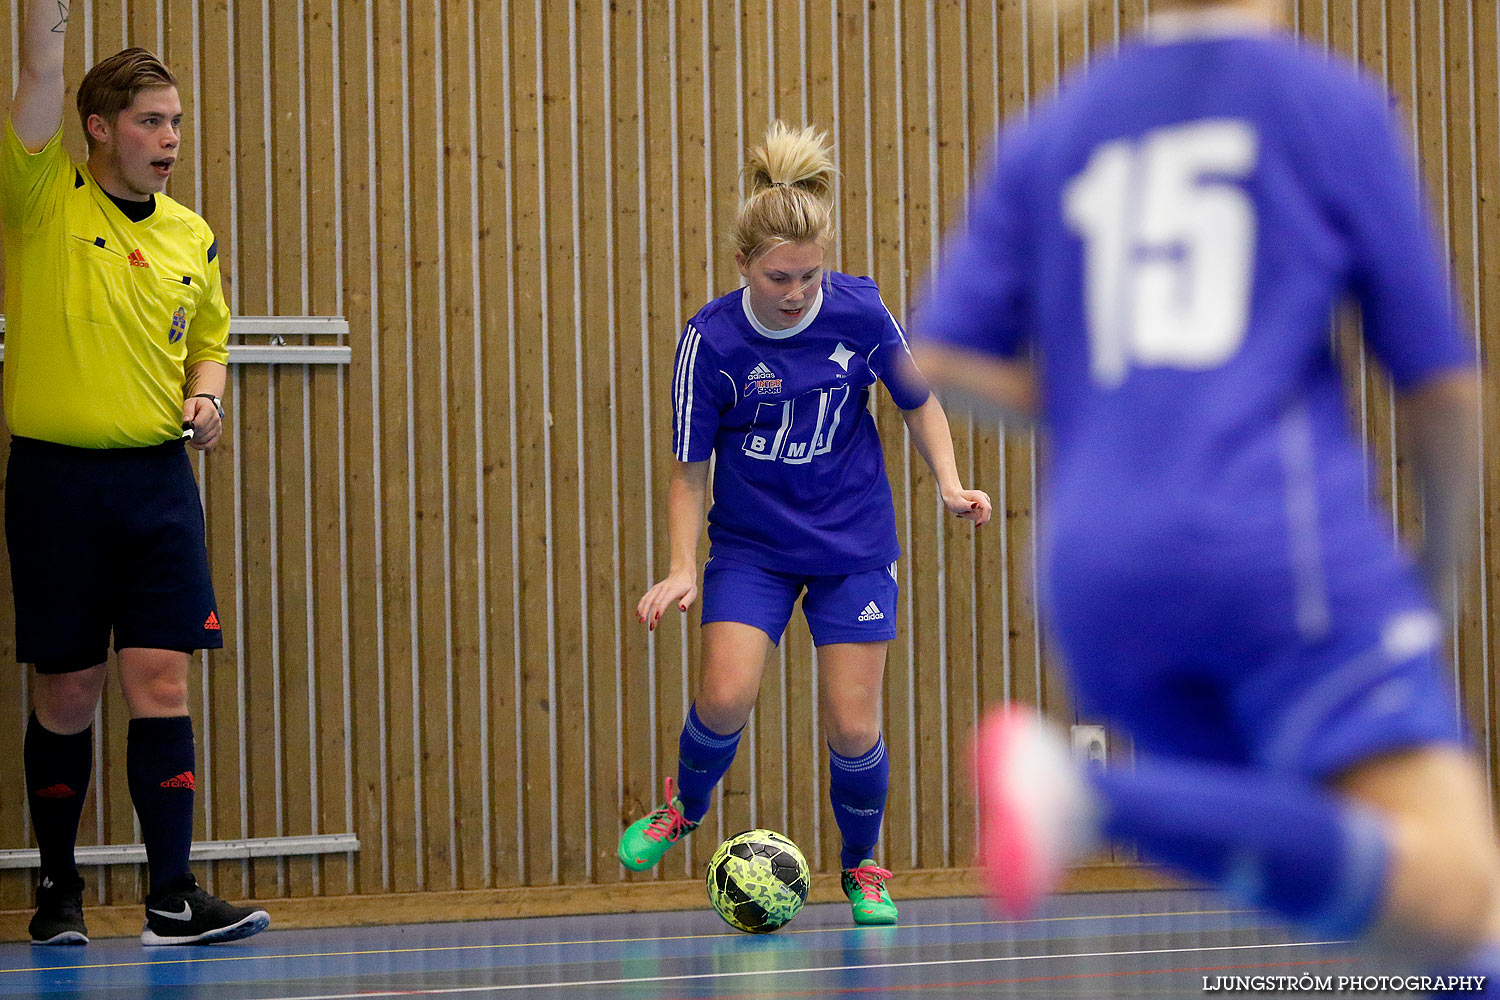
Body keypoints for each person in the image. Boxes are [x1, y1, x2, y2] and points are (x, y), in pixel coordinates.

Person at [912, 0, 1500, 987]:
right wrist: (1438, 568)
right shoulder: (1321, 103)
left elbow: (942, 355)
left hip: (1093, 578)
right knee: (1460, 887)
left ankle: (1093, 796)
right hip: (1271, 548)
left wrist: (1112, 407)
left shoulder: (1056, 126)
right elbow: (1440, 383)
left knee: (1390, 898)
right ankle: (1090, 798)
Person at [620, 121, 992, 926]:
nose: (796, 292)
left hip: (852, 544)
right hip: (753, 547)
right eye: (779, 277)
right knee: (723, 694)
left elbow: (919, 401)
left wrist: (951, 485)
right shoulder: (709, 341)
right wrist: (684, 567)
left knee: (854, 722)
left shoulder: (856, 311)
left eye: (808, 276)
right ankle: (683, 805)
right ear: (744, 268)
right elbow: (689, 468)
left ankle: (862, 866)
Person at [4, 1, 269, 946]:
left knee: (162, 681)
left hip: (157, 486)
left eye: (178, 122)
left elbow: (209, 343)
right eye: (152, 122)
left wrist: (210, 398)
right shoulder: (42, 198)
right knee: (67, 692)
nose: (170, 138)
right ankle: (58, 893)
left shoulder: (190, 235)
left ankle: (170, 899)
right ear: (100, 130)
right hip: (55, 484)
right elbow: (37, 77)